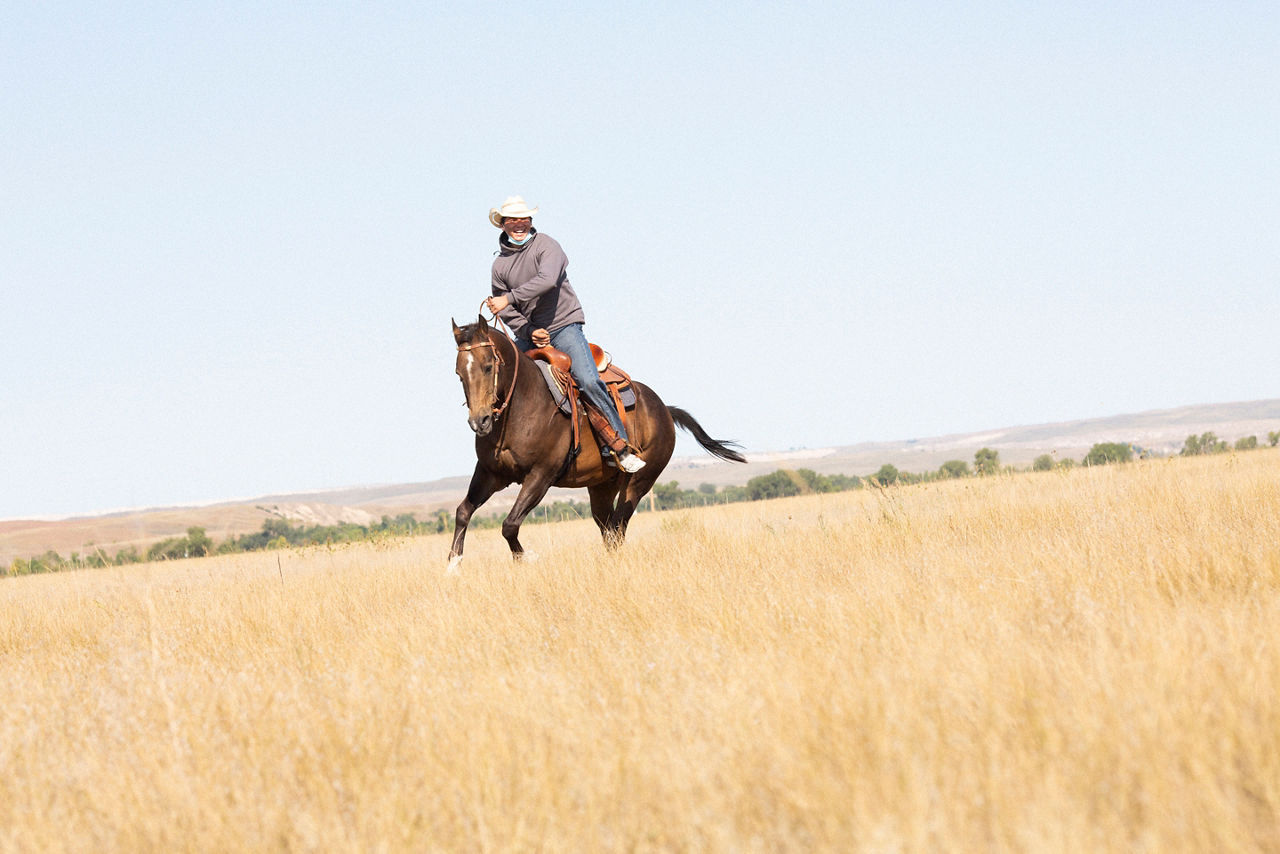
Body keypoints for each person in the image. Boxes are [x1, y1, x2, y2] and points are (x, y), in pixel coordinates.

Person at [484, 195, 646, 473]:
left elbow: (546, 281)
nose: (519, 224)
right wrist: (529, 330)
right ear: (503, 225)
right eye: (512, 219)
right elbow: (505, 312)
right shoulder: (499, 266)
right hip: (530, 333)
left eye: (524, 219)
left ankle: (619, 446)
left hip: (564, 325)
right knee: (505, 385)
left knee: (587, 380)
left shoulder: (547, 246)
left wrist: (509, 298)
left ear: (531, 221)